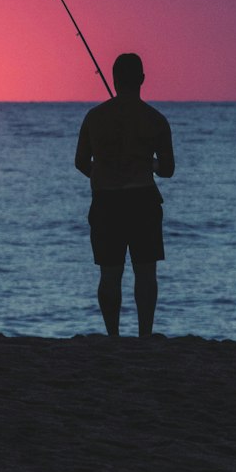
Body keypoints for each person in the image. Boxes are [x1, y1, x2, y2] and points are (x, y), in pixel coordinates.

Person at [75, 52, 175, 337]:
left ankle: (113, 336)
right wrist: (149, 163)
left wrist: (102, 174)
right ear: (142, 79)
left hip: (106, 202)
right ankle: (145, 335)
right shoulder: (155, 120)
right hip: (143, 200)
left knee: (109, 274)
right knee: (145, 274)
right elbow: (167, 168)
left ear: (114, 79)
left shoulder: (94, 118)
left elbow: (81, 162)